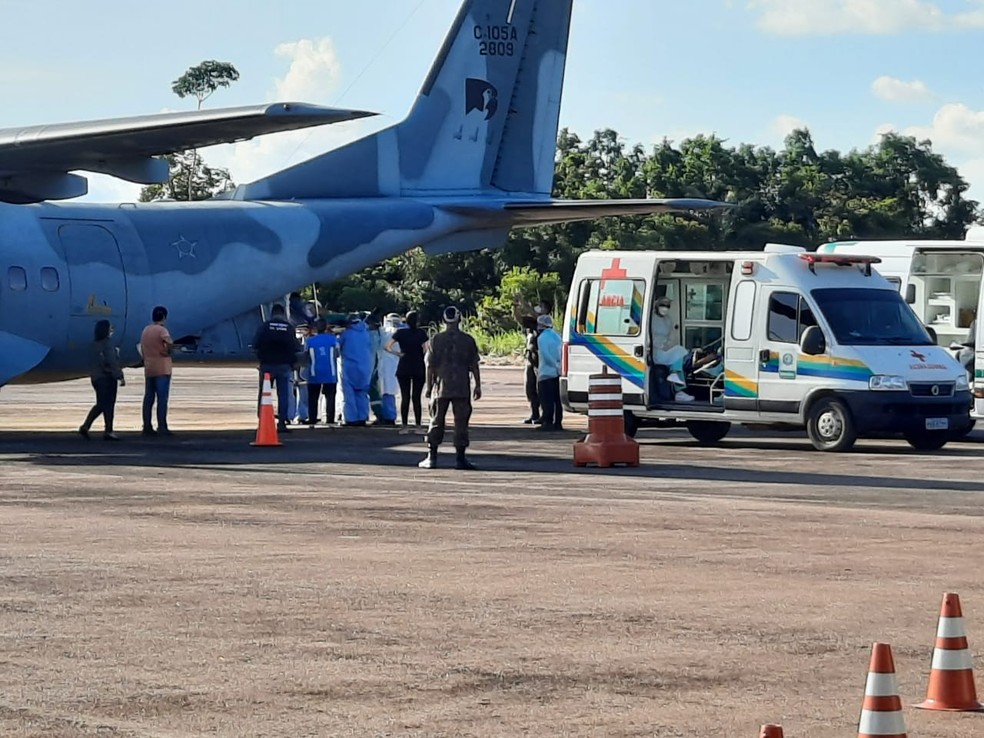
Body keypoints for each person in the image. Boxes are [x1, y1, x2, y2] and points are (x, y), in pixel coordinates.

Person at [418, 306, 482, 470]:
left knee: (436, 421)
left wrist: (429, 385)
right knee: (461, 423)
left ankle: (432, 456)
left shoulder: (436, 340)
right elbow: (474, 365)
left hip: (441, 387)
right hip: (461, 387)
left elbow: (430, 366)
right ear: (459, 320)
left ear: (444, 320)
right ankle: (460, 459)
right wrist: (478, 385)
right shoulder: (468, 340)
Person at [253, 303, 302, 433]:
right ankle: (282, 423)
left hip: (267, 365)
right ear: (282, 314)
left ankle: (263, 421)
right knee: (283, 395)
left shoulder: (264, 327)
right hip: (284, 366)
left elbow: (255, 344)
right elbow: (296, 347)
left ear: (272, 313)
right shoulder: (289, 328)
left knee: (264, 395)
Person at [79, 319, 125, 441]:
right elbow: (111, 361)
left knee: (101, 404)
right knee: (108, 405)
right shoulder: (108, 344)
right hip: (107, 378)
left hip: (96, 377)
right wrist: (119, 375)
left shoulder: (94, 344)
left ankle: (87, 426)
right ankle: (107, 430)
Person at [386, 310, 429, 434]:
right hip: (418, 366)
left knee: (405, 397)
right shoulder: (421, 333)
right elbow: (426, 349)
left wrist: (398, 354)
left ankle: (404, 426)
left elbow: (387, 346)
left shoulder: (400, 333)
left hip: (404, 366)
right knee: (416, 398)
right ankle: (418, 426)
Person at [651, 296, 694, 402]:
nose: (665, 308)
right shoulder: (651, 319)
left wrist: (668, 344)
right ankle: (676, 381)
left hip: (665, 348)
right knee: (680, 351)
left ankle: (675, 376)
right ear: (657, 306)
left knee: (681, 351)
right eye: (663, 305)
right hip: (656, 351)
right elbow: (650, 337)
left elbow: (671, 336)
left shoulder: (668, 319)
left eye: (667, 306)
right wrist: (660, 345)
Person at [140, 305, 175, 436]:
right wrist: (167, 351)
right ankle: (162, 426)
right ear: (164, 317)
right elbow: (169, 343)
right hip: (162, 368)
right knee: (162, 398)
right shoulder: (162, 330)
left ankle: (147, 425)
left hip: (149, 367)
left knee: (148, 398)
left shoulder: (146, 330)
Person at [338, 314, 373, 426]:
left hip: (349, 366)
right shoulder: (366, 333)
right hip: (365, 367)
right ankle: (362, 417)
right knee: (362, 393)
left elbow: (337, 347)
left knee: (349, 394)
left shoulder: (346, 334)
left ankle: (351, 418)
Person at [305, 318, 339, 425]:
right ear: (326, 327)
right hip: (330, 372)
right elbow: (337, 353)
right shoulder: (333, 339)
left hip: (314, 372)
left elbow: (306, 355)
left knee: (313, 398)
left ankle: (312, 418)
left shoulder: (309, 341)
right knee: (330, 397)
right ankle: (330, 419)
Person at [535, 314, 563, 431]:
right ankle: (558, 423)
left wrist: (553, 365)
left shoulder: (541, 338)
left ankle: (547, 422)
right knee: (557, 399)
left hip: (546, 372)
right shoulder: (557, 336)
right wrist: (559, 366)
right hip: (557, 372)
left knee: (546, 399)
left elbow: (545, 354)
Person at [375, 313, 402, 425]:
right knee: (389, 391)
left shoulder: (384, 332)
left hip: (384, 365)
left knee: (385, 392)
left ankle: (387, 416)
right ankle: (388, 415)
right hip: (394, 365)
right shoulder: (401, 332)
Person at [521, 314, 541, 425]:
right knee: (529, 390)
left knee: (537, 391)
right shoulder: (530, 335)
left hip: (536, 365)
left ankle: (539, 414)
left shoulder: (537, 336)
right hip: (529, 365)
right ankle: (534, 413)